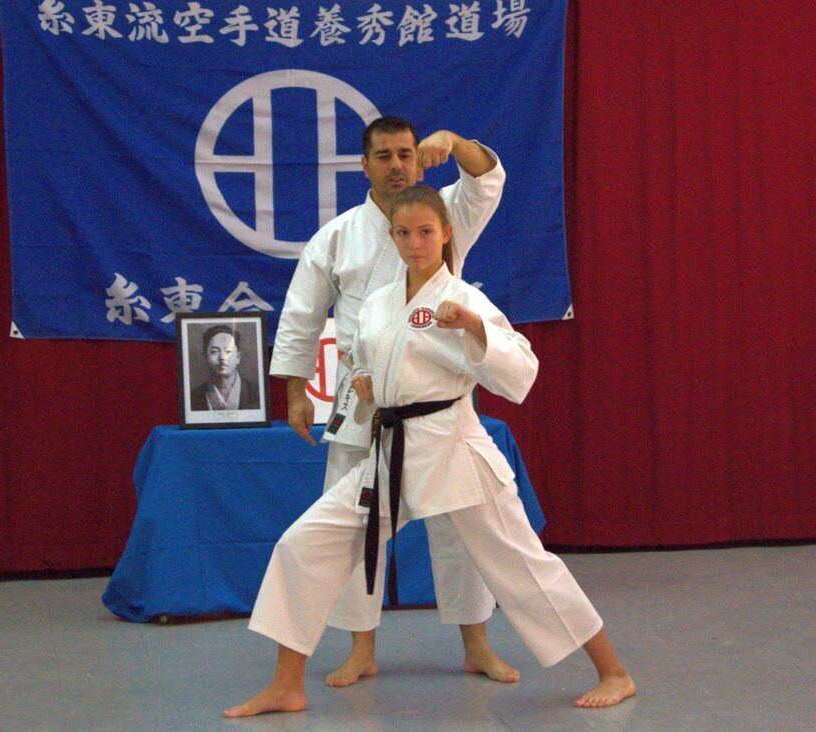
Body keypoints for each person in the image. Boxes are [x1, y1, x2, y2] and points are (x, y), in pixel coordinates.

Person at [224, 186, 636, 717]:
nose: (414, 243)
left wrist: (475, 328)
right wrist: (367, 380)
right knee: (304, 544)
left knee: (523, 565)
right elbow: (365, 356)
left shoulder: (463, 299)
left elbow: (522, 370)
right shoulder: (379, 301)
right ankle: (287, 684)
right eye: (403, 233)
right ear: (391, 236)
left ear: (446, 233)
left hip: (452, 451)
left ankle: (614, 671)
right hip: (389, 453)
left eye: (425, 232)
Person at [269, 116, 516, 687]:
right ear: (365, 165)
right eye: (384, 156)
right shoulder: (338, 236)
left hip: (436, 400)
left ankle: (477, 644)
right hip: (364, 402)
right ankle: (361, 648)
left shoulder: (444, 215)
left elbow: (486, 181)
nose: (397, 165)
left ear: (419, 160)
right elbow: (302, 315)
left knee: (460, 531)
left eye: (406, 153)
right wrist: (295, 391)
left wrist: (455, 142)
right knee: (355, 530)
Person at [190, 324, 260, 411]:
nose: (222, 358)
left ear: (238, 357)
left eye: (228, 351)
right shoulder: (192, 398)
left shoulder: (258, 393)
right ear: (205, 356)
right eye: (214, 351)